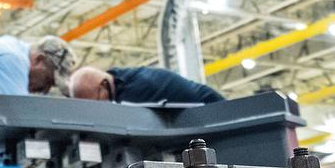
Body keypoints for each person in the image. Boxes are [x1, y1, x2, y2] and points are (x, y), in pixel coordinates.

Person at [68, 65, 224, 105]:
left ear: (103, 86)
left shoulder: (135, 93)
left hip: (218, 116)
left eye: (95, 103)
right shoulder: (118, 76)